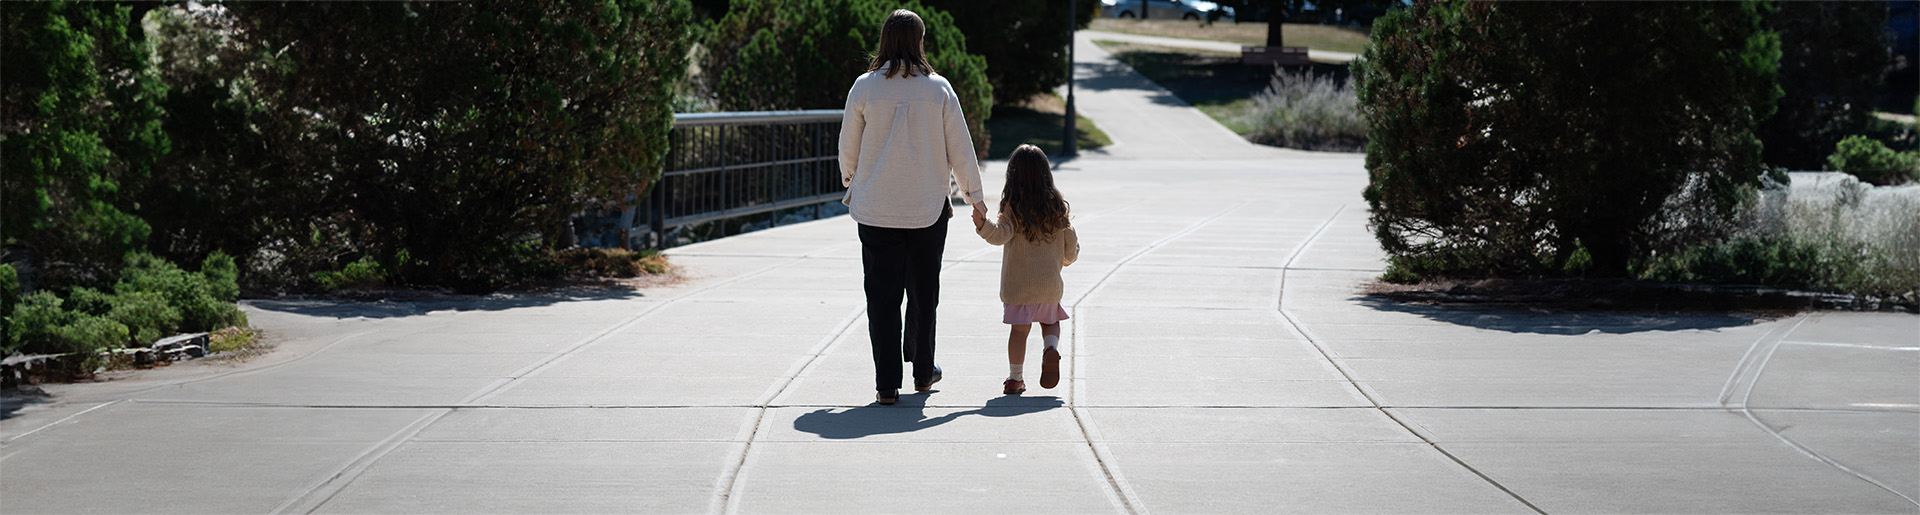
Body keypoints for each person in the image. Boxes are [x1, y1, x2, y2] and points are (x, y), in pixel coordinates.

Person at [839, 9, 987, 406]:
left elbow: (847, 147)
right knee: (925, 291)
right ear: (919, 42)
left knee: (882, 297)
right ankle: (923, 371)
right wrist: (975, 197)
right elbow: (961, 147)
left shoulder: (864, 87)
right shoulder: (938, 89)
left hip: (876, 209)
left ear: (885, 40)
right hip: (926, 208)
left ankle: (887, 383)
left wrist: (852, 179)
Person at [972, 144, 1079, 395]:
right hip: (1049, 285)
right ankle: (1050, 348)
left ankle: (1015, 378)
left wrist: (982, 225)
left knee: (1019, 332)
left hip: (1019, 287)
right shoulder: (1056, 208)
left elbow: (999, 235)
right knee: (1050, 322)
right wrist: (1068, 259)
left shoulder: (1013, 207)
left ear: (1013, 175)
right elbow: (1070, 245)